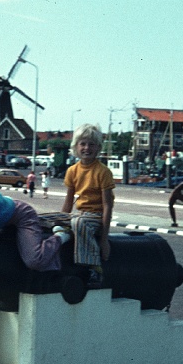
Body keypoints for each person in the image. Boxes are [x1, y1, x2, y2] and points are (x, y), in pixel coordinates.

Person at [60, 123, 115, 287]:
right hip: (79, 214)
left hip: (95, 217)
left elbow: (108, 205)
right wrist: (60, 221)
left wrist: (104, 239)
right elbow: (69, 201)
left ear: (98, 147)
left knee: (79, 222)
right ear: (76, 147)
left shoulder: (103, 172)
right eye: (82, 144)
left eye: (91, 144)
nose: (86, 148)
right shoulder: (72, 171)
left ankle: (94, 266)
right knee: (50, 222)